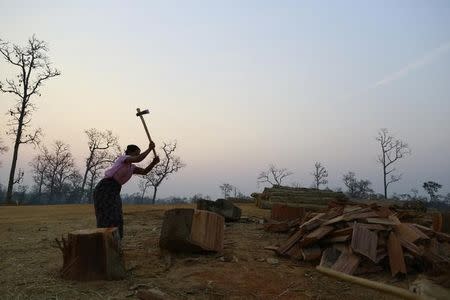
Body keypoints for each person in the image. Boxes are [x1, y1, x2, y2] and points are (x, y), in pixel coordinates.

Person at [93, 141, 160, 238]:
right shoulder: (123, 159)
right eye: (136, 153)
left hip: (115, 190)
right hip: (105, 188)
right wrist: (149, 149)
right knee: (106, 215)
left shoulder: (131, 167)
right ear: (130, 153)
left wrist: (153, 163)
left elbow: (145, 171)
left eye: (138, 153)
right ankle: (103, 239)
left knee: (117, 215)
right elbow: (138, 159)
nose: (138, 155)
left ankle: (116, 241)